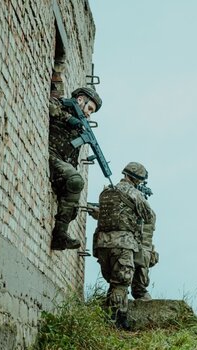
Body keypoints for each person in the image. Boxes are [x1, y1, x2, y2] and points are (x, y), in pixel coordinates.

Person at [93, 162, 155, 329]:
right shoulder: (134, 193)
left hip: (102, 245)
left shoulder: (105, 192)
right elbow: (149, 216)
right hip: (123, 244)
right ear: (137, 179)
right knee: (120, 283)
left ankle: (116, 319)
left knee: (113, 283)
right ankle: (116, 323)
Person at [49, 87, 102, 250]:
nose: (89, 114)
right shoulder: (61, 104)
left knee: (74, 205)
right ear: (80, 100)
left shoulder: (80, 125)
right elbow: (50, 106)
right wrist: (69, 118)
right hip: (51, 154)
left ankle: (61, 236)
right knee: (76, 180)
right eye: (90, 109)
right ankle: (59, 235)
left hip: (63, 165)